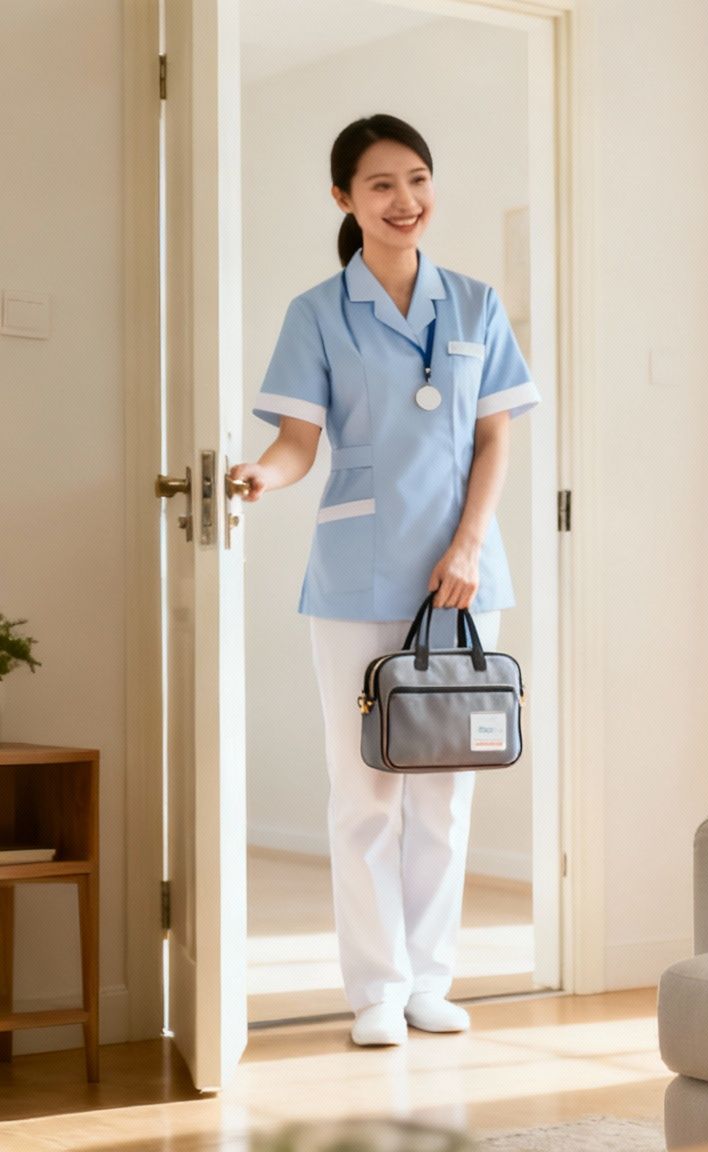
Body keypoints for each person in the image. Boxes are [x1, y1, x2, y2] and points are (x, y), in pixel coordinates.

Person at [229, 114, 541, 1048]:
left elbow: (494, 437)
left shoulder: (476, 304)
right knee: (365, 790)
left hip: (460, 579)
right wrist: (258, 476)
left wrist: (469, 546)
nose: (405, 201)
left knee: (445, 792)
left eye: (417, 180)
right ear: (344, 199)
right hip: (356, 578)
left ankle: (429, 982)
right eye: (381, 185)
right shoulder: (317, 313)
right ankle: (375, 989)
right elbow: (298, 443)